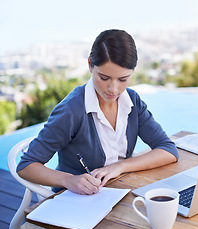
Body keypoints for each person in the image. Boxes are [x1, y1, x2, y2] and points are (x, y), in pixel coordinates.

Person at [17, 29, 179, 195]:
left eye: (123, 79)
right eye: (104, 77)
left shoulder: (132, 101)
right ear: (90, 65)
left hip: (119, 191)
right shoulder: (71, 111)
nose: (113, 89)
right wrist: (68, 180)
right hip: (76, 199)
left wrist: (120, 166)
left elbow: (168, 149)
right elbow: (26, 166)